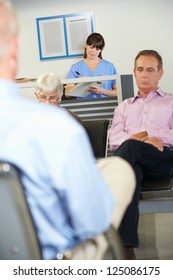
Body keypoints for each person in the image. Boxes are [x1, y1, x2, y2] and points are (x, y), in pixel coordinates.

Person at [0, 0, 135, 260]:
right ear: (15, 48)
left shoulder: (107, 69)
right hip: (48, 259)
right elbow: (91, 222)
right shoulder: (58, 128)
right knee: (119, 172)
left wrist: (103, 90)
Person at [108, 49, 173, 259]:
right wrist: (144, 136)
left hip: (162, 161)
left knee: (130, 148)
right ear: (134, 72)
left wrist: (155, 137)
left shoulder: (171, 102)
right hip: (132, 161)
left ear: (160, 73)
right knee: (130, 172)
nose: (144, 74)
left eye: (150, 70)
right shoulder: (123, 107)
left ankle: (100, 193)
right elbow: (114, 139)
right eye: (140, 69)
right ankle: (126, 247)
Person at [65, 32, 117, 99]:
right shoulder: (76, 67)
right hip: (83, 107)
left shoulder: (109, 67)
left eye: (97, 49)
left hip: (106, 106)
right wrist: (80, 84)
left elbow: (118, 92)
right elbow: (67, 93)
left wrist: (103, 91)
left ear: (102, 49)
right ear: (86, 44)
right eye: (91, 47)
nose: (93, 51)